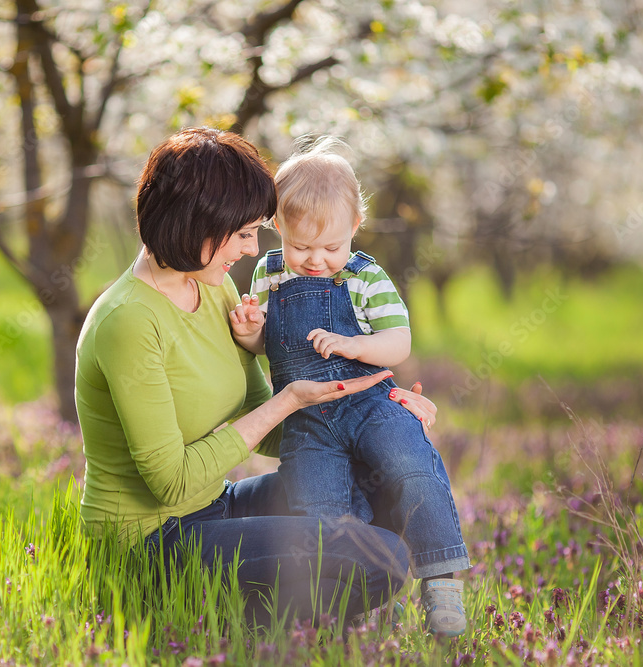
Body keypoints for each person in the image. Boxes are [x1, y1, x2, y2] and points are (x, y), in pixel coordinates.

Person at [74, 127, 438, 628]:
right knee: (380, 558)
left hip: (214, 508)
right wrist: (288, 400)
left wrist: (380, 422)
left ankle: (246, 620)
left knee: (385, 476)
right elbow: (170, 481)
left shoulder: (215, 286)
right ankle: (206, 624)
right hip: (150, 544)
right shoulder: (129, 322)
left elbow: (256, 415)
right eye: (244, 233)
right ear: (199, 223)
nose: (252, 250)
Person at [228, 137, 470, 636]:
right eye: (300, 247)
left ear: (355, 227)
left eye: (331, 247)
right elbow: (263, 346)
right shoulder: (268, 274)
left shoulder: (365, 276)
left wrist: (353, 346)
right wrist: (251, 330)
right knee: (320, 513)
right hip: (307, 423)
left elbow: (398, 341)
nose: (316, 260)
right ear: (277, 227)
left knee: (410, 464)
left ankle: (440, 575)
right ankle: (354, 606)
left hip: (369, 405)